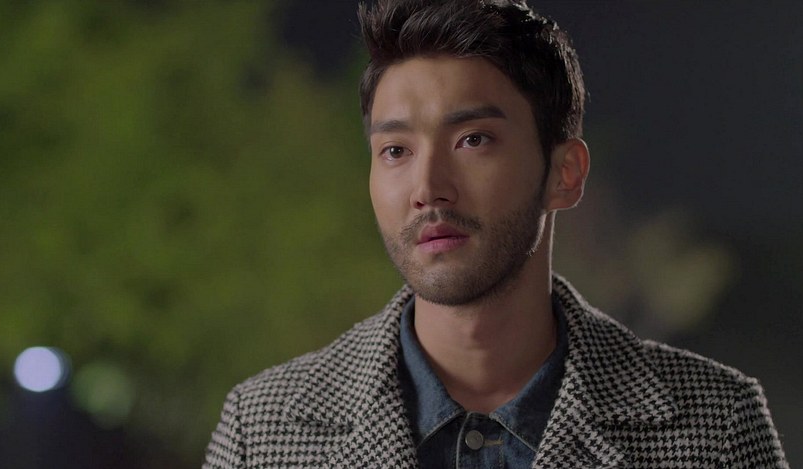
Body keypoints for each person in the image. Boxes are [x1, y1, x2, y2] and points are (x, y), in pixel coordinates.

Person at [203, 0, 788, 467]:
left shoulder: (715, 424)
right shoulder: (263, 430)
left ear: (564, 173)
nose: (428, 187)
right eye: (396, 150)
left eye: (473, 140)